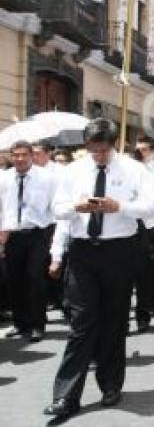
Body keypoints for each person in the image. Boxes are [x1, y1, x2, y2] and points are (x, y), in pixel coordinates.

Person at [44, 119, 154, 420]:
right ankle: (65, 396)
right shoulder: (72, 171)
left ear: (114, 144)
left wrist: (119, 206)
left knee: (114, 320)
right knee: (81, 323)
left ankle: (110, 384)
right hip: (82, 252)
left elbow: (153, 207)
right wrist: (76, 207)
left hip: (118, 252)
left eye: (104, 150)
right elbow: (56, 209)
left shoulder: (134, 170)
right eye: (92, 150)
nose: (98, 156)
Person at [0, 141, 56, 342]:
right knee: (14, 280)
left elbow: (55, 206)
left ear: (32, 156)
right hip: (12, 234)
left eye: (24, 155)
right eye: (15, 155)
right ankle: (19, 323)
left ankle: (37, 324)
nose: (20, 159)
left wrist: (52, 235)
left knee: (35, 278)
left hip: (38, 233)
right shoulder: (4, 178)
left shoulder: (47, 178)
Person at [132, 136, 154, 331]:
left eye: (144, 150)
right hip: (127, 226)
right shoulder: (127, 170)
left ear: (152, 151)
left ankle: (144, 312)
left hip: (148, 226)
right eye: (137, 150)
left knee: (147, 271)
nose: (140, 154)